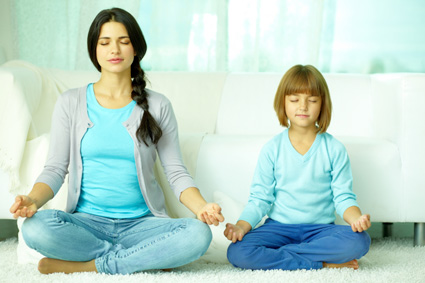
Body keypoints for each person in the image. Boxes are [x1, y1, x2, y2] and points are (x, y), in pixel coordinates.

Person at [9, 7, 224, 275]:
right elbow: (54, 169)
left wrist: (202, 207)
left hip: (142, 226)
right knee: (35, 228)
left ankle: (91, 265)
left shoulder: (158, 105)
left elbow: (176, 172)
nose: (115, 50)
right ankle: (142, 259)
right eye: (105, 42)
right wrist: (32, 200)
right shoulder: (70, 103)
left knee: (197, 234)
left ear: (136, 49)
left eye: (124, 41)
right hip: (86, 225)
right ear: (94, 50)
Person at [224, 64, 371, 270]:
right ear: (283, 103)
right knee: (237, 252)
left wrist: (356, 219)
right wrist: (241, 225)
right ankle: (321, 262)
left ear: (322, 104)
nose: (303, 106)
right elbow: (260, 199)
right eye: (294, 100)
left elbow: (343, 197)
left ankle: (283, 257)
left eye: (312, 100)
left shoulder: (334, 149)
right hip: (278, 229)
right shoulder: (272, 149)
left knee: (360, 241)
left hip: (320, 230)